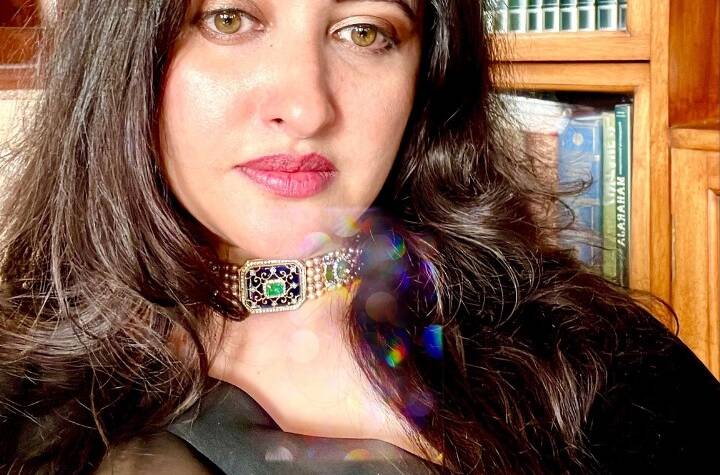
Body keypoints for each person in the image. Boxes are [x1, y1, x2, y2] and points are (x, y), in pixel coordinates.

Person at [0, 0, 718, 474]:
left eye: (364, 31)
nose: (307, 106)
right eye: (228, 18)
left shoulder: (599, 366)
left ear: (427, 75)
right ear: (123, 52)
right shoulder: (20, 385)